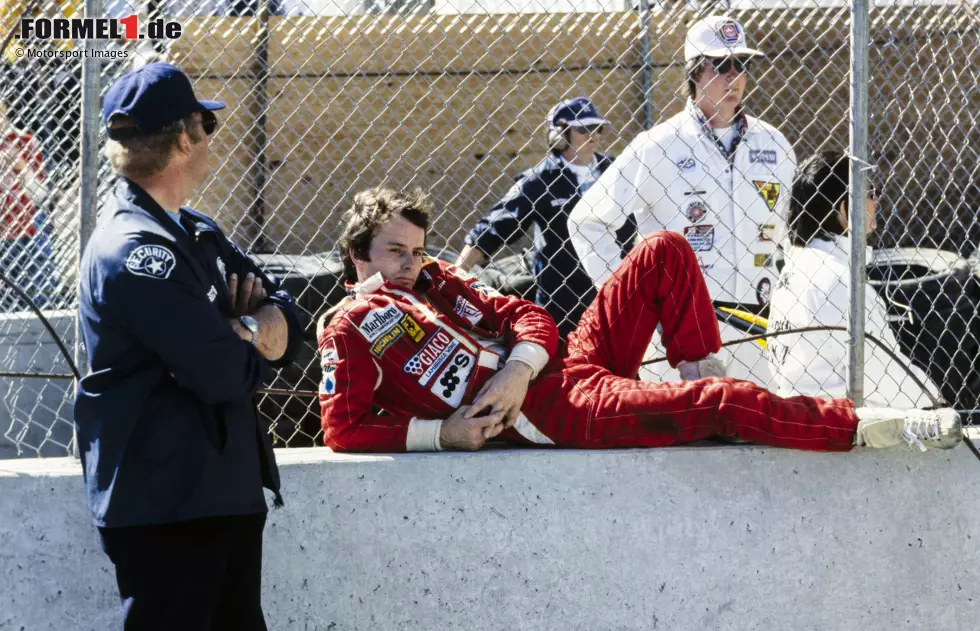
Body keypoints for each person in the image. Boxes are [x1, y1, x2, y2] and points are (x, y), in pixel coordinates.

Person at [316, 186, 961, 456]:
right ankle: (858, 428)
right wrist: (442, 435)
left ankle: (694, 387)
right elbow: (342, 429)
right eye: (393, 252)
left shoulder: (437, 278)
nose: (409, 263)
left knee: (665, 250)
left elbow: (530, 317)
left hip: (555, 367)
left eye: (416, 249)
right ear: (356, 255)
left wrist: (516, 367)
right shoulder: (348, 326)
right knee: (726, 401)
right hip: (551, 413)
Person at [75, 63, 303, 630]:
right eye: (206, 124)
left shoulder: (193, 230)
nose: (208, 138)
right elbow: (221, 374)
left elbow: (295, 325)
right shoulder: (135, 251)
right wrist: (249, 334)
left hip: (222, 493)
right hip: (169, 505)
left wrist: (245, 328)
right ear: (184, 139)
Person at [568, 15, 796, 385]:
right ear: (694, 72)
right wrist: (634, 302)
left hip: (761, 333)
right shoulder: (657, 145)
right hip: (678, 343)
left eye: (743, 65)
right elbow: (586, 220)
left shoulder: (774, 144)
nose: (733, 76)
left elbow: (793, 237)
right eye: (721, 65)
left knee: (756, 436)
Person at [766, 150, 940, 409]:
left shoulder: (800, 265)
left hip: (806, 412)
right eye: (870, 194)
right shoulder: (838, 281)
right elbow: (885, 376)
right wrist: (934, 401)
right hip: (841, 424)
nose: (877, 200)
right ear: (844, 208)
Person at [455, 97, 636, 336]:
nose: (594, 134)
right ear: (560, 135)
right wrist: (455, 274)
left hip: (616, 290)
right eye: (583, 128)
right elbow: (493, 228)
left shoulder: (615, 170)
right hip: (563, 300)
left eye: (597, 127)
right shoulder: (540, 180)